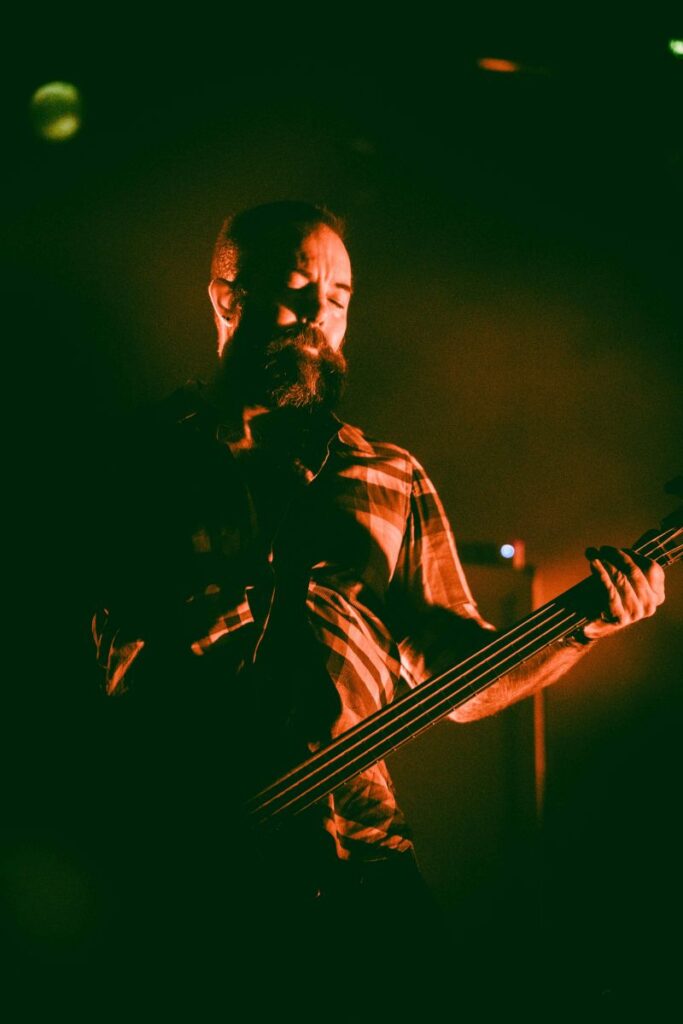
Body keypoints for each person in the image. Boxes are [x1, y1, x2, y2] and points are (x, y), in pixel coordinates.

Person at [91, 200, 665, 995]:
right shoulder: (132, 460)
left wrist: (582, 630)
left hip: (358, 864)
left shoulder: (387, 475)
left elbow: (455, 679)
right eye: (296, 290)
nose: (317, 316)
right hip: (175, 868)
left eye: (338, 297)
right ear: (226, 299)